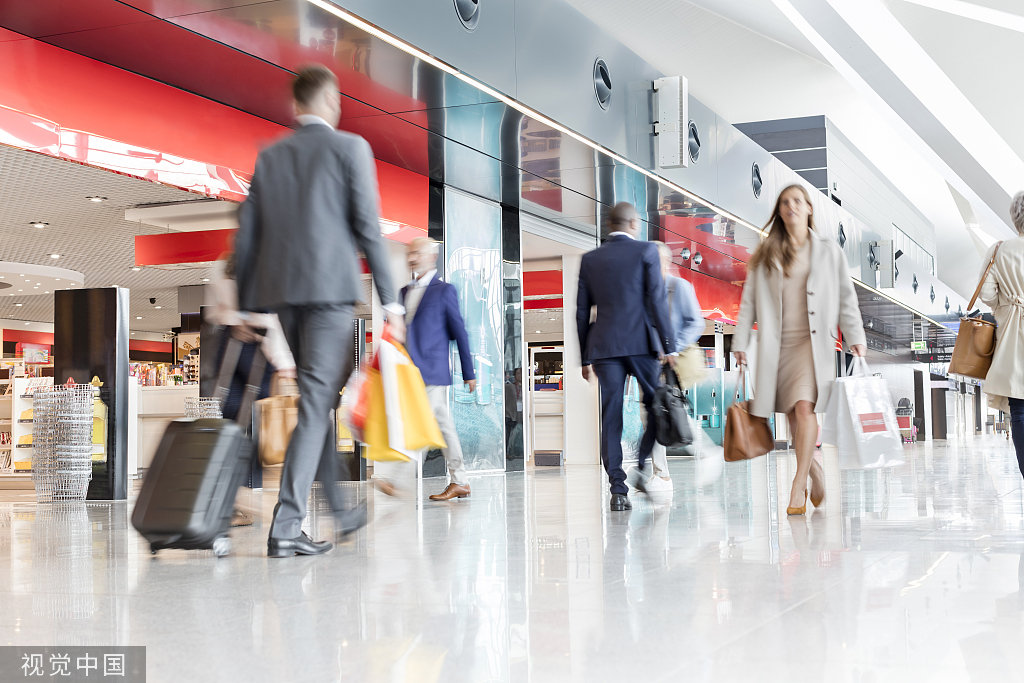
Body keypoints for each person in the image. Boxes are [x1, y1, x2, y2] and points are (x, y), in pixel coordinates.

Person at [235, 64, 406, 558]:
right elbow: (368, 229)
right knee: (315, 403)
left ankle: (339, 507)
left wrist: (250, 305)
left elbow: (248, 234)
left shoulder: (271, 157)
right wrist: (391, 302)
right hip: (331, 293)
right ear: (331, 102)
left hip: (284, 295)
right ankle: (287, 525)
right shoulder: (350, 147)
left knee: (318, 400)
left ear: (295, 105)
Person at [732, 184, 866, 516]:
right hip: (777, 347)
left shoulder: (828, 251)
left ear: (809, 208)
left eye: (797, 201)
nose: (791, 206)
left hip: (812, 343)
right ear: (778, 211)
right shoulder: (765, 254)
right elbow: (748, 301)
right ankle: (815, 473)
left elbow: (846, 297)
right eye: (784, 202)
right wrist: (739, 342)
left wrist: (855, 336)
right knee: (792, 417)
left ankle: (797, 486)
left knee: (804, 409)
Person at [576, 202, 676, 511]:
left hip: (604, 347)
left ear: (609, 224)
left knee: (612, 417)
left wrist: (584, 358)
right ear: (634, 223)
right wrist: (669, 345)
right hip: (641, 344)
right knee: (657, 407)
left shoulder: (590, 259)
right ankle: (642, 466)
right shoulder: (646, 251)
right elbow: (657, 300)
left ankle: (617, 490)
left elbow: (581, 311)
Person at [398, 237, 477, 501]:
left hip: (433, 372)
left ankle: (395, 478)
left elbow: (460, 333)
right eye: (409, 253)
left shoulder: (445, 291)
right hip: (409, 373)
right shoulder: (404, 292)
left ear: (431, 257)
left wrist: (469, 371)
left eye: (416, 253)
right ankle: (461, 481)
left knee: (420, 422)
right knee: (444, 426)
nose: (411, 258)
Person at [626, 241, 706, 495]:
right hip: (652, 364)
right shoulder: (645, 292)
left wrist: (673, 348)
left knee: (670, 411)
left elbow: (696, 324)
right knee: (652, 416)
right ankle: (662, 473)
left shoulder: (679, 287)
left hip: (676, 361)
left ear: (665, 262)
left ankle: (705, 454)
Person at [979, 191, 1024, 476]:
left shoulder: (999, 250)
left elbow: (986, 294)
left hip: (1013, 342)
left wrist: (1005, 307)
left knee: (1020, 412)